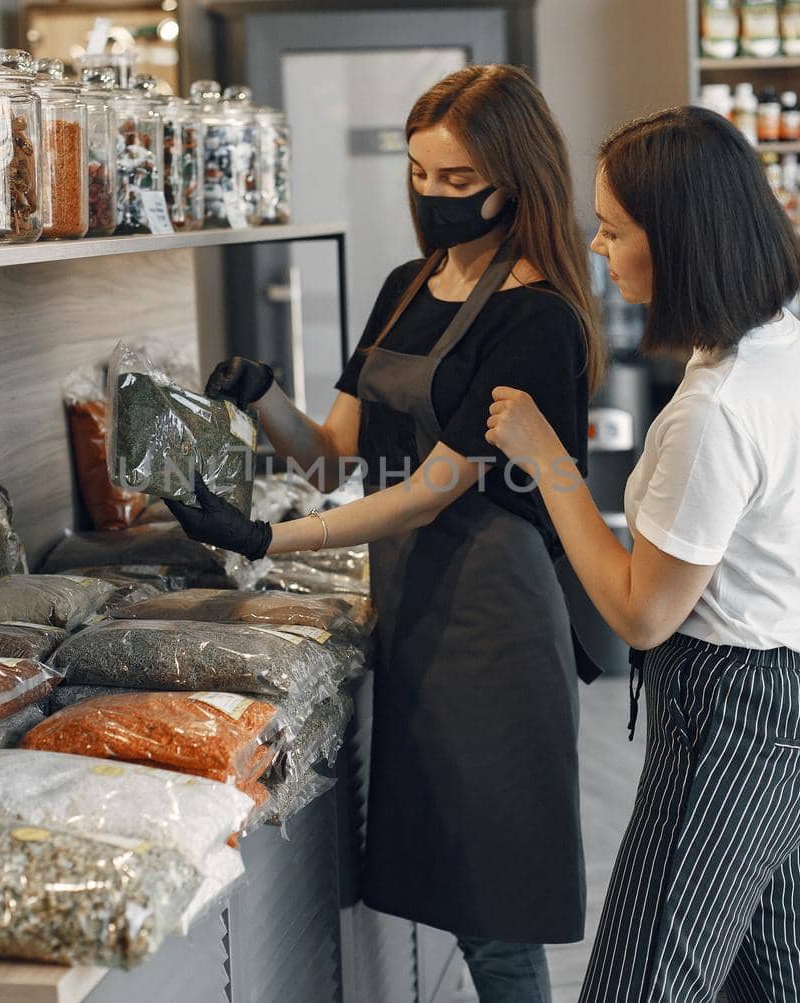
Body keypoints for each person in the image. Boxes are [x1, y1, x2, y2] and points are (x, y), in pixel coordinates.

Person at [165, 64, 602, 1002]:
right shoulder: (408, 287)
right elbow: (333, 457)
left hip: (495, 617)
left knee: (497, 910)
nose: (434, 197)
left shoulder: (540, 318)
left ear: (516, 181)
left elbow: (432, 489)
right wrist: (263, 395)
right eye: (420, 175)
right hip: (411, 604)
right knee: (447, 876)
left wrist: (263, 541)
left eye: (457, 181)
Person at [485, 105, 800, 1003]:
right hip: (798, 700)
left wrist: (550, 463)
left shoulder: (716, 407)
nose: (600, 251)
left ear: (679, 240)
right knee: (780, 985)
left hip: (737, 718)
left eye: (614, 231)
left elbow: (643, 610)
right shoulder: (783, 344)